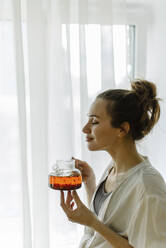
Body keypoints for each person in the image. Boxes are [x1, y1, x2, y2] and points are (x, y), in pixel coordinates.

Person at [60, 79, 166, 248]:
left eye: (94, 121)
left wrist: (92, 222)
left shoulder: (148, 186)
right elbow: (109, 222)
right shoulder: (113, 168)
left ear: (122, 129)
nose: (85, 129)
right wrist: (91, 184)